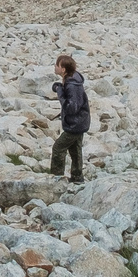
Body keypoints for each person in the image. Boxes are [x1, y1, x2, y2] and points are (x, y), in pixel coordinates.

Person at [48, 53, 91, 182]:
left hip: (75, 123)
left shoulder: (72, 85)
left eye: (57, 65)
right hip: (80, 122)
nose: (55, 67)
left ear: (63, 69)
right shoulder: (73, 80)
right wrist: (60, 87)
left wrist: (60, 92)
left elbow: (71, 108)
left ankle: (57, 178)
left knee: (58, 147)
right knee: (75, 149)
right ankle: (77, 178)